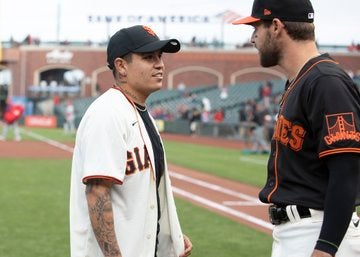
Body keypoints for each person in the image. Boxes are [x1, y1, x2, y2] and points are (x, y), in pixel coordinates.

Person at [232, 1, 360, 257]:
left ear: (276, 26)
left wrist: (327, 247)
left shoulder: (325, 81)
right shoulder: (302, 79)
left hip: (318, 231)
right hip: (301, 230)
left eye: (256, 28)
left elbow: (346, 171)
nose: (252, 38)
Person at [69, 25, 193, 257]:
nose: (159, 64)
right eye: (148, 57)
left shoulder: (139, 112)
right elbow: (97, 193)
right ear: (121, 66)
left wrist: (170, 235)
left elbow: (143, 197)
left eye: (160, 56)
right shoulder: (108, 113)